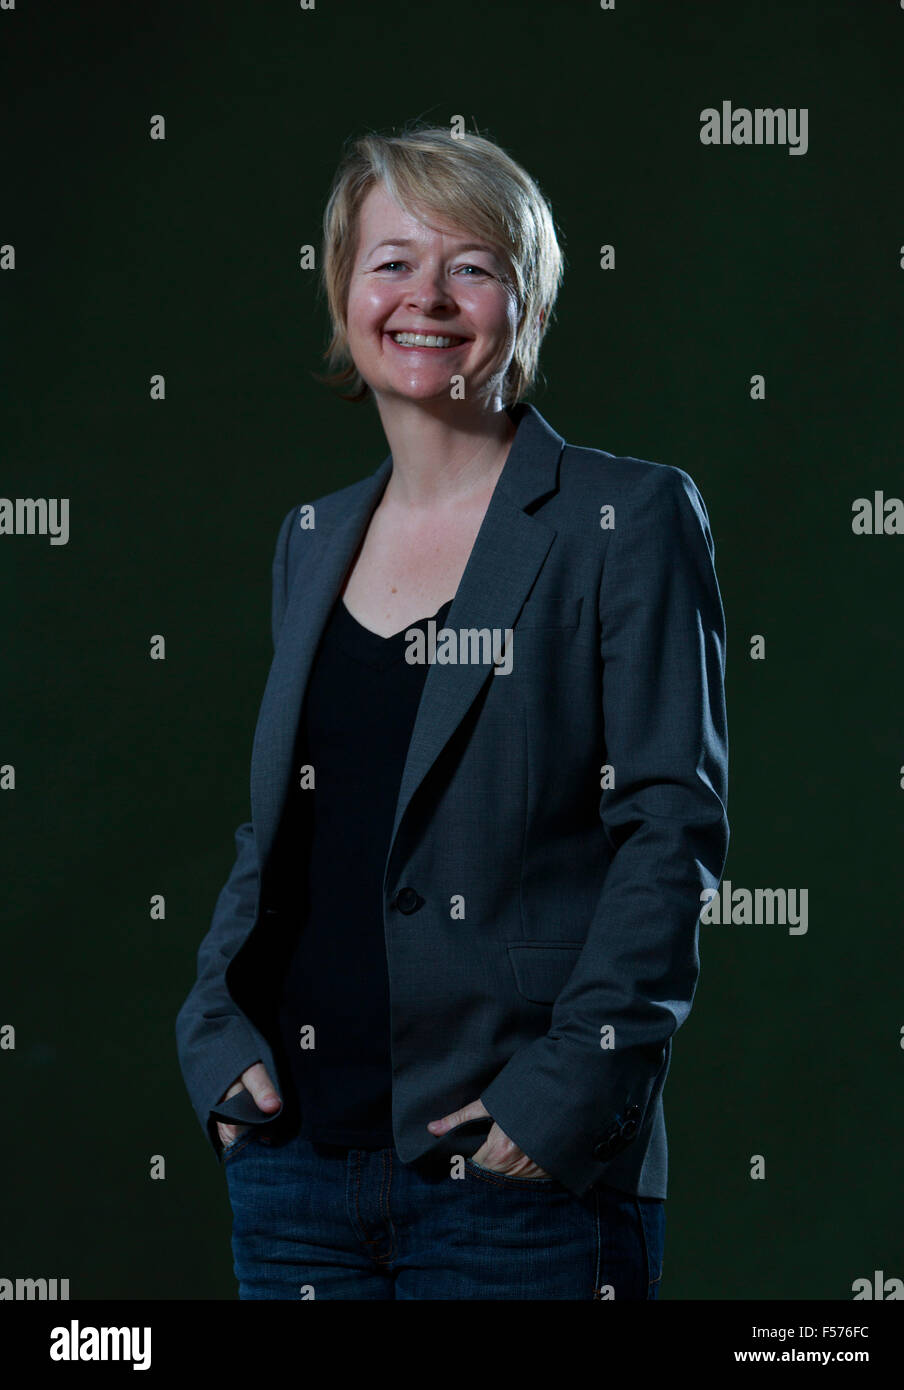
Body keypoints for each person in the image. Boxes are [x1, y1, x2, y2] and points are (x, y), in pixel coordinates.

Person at [175, 123, 729, 1300]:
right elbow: (280, 833)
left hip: (519, 1182)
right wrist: (214, 1036)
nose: (425, 296)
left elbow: (670, 835)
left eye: (469, 265)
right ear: (344, 292)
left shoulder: (623, 520)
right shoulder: (312, 538)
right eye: (391, 261)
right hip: (294, 1176)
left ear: (522, 305)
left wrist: (564, 1096)